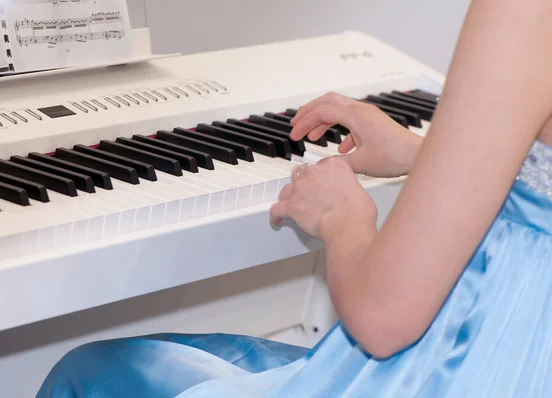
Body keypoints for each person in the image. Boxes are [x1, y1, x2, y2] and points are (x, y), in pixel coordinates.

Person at [36, 0, 552, 396]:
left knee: (94, 375)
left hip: (492, 360)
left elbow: (384, 318)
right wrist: (429, 156)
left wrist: (342, 216)